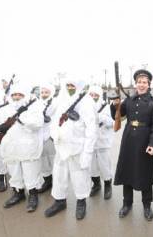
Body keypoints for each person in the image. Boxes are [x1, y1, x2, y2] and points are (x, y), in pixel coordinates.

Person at [110, 69, 153, 221]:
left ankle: (147, 205)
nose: (141, 85)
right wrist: (116, 105)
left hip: (144, 142)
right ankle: (127, 203)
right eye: (139, 82)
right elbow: (118, 115)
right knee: (127, 172)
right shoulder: (130, 100)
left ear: (149, 84)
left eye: (144, 82)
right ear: (136, 84)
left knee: (145, 174)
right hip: (128, 141)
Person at [45, 80, 97, 220]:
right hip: (61, 147)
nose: (69, 88)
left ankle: (81, 202)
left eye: (72, 85)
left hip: (78, 148)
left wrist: (87, 153)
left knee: (79, 177)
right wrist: (55, 135)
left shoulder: (87, 102)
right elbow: (54, 122)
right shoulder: (61, 100)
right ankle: (59, 201)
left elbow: (91, 130)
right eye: (67, 85)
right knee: (59, 175)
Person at [0, 83, 44, 212]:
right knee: (14, 172)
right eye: (14, 94)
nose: (17, 97)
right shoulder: (5, 109)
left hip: (28, 146)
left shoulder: (33, 107)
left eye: (20, 94)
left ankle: (33, 195)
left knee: (30, 172)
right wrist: (1, 126)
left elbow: (38, 124)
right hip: (11, 146)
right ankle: (18, 193)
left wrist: (22, 118)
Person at [88, 86, 114, 200]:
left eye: (96, 95)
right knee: (92, 166)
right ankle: (96, 184)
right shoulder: (85, 107)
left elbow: (112, 123)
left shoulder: (106, 106)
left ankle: (108, 185)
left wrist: (101, 118)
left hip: (103, 141)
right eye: (91, 95)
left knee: (104, 165)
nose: (93, 97)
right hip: (90, 142)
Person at [37, 83, 58, 193]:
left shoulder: (55, 103)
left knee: (54, 160)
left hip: (51, 135)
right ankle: (47, 181)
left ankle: (57, 183)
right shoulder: (37, 104)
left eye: (46, 92)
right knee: (43, 160)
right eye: (42, 92)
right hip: (39, 136)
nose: (44, 94)